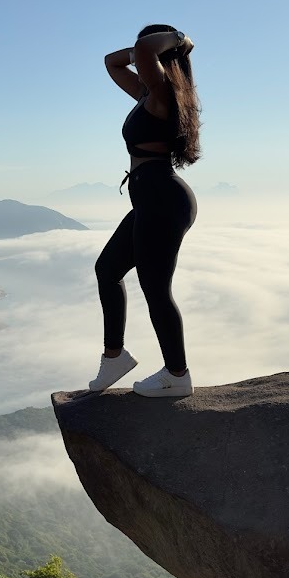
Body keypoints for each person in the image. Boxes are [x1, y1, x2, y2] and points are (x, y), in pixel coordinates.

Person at [89, 24, 201, 397]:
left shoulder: (164, 94)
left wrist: (180, 40)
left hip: (162, 199)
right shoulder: (147, 94)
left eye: (145, 53)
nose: (137, 58)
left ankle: (177, 374)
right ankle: (114, 356)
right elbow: (112, 62)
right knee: (107, 270)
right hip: (153, 197)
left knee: (155, 289)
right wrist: (145, 51)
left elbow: (140, 49)